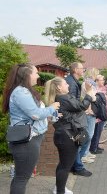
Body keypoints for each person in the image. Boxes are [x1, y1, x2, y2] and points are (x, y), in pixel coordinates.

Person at [2, 63, 60, 194]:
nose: (38, 75)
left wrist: (50, 115)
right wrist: (52, 107)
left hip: (30, 140)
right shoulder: (21, 92)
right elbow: (35, 114)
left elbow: (36, 114)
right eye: (35, 73)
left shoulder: (24, 91)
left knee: (20, 177)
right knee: (22, 178)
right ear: (27, 75)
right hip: (27, 142)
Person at [44, 77, 94, 194]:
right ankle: (60, 191)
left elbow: (76, 109)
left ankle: (59, 188)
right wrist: (89, 95)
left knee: (63, 164)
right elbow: (81, 106)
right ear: (59, 87)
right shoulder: (63, 98)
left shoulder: (62, 98)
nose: (68, 85)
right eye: (65, 83)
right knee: (65, 166)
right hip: (67, 136)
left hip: (64, 135)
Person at [65, 62, 92, 177]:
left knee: (83, 140)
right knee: (80, 141)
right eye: (82, 68)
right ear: (76, 70)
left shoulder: (74, 82)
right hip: (73, 121)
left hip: (75, 119)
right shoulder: (71, 83)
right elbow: (71, 104)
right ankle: (77, 166)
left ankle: (76, 164)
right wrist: (88, 96)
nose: (84, 70)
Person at [79, 68, 99, 164]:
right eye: (97, 74)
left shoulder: (90, 83)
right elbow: (92, 97)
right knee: (89, 134)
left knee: (90, 133)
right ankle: (83, 155)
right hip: (88, 112)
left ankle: (86, 153)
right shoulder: (87, 84)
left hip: (91, 111)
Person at [90, 75, 107, 154]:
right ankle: (93, 148)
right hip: (99, 115)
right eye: (102, 80)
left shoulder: (102, 89)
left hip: (103, 113)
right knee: (96, 132)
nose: (103, 81)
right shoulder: (95, 90)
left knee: (99, 131)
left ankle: (96, 146)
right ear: (97, 81)